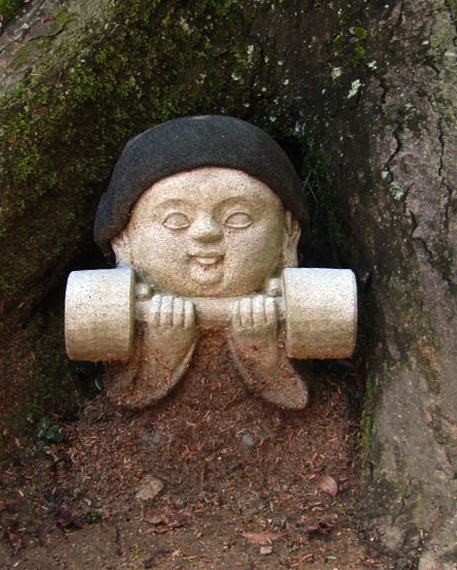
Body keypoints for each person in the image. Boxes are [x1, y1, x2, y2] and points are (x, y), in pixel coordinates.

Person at [93, 115, 310, 409]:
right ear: (123, 241)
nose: (206, 232)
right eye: (175, 220)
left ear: (288, 235)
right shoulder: (131, 312)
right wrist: (163, 351)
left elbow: (299, 401)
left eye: (238, 217)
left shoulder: (289, 310)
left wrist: (262, 351)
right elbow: (123, 402)